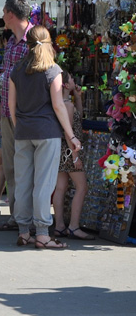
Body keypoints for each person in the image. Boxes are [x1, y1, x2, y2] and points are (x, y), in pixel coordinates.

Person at [9, 25, 81, 249]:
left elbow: (11, 106)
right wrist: (71, 136)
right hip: (47, 133)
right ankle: (42, 233)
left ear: (27, 45)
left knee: (23, 182)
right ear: (48, 43)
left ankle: (23, 231)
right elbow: (59, 106)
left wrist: (18, 126)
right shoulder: (53, 70)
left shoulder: (17, 69)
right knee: (43, 183)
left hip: (23, 133)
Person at [0, 0, 33, 232]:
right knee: (9, 166)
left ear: (10, 14)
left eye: (3, 11)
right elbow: (6, 83)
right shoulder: (11, 43)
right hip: (7, 114)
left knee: (24, 167)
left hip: (24, 115)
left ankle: (23, 217)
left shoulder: (33, 42)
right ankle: (16, 216)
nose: (2, 16)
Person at [51, 71, 94, 240]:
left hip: (60, 149)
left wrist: (78, 97)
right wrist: (75, 156)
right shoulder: (66, 105)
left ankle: (59, 225)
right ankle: (74, 226)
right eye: (71, 79)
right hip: (69, 150)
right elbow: (70, 133)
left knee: (61, 187)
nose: (74, 81)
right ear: (65, 85)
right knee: (82, 187)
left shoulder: (63, 103)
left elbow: (78, 119)